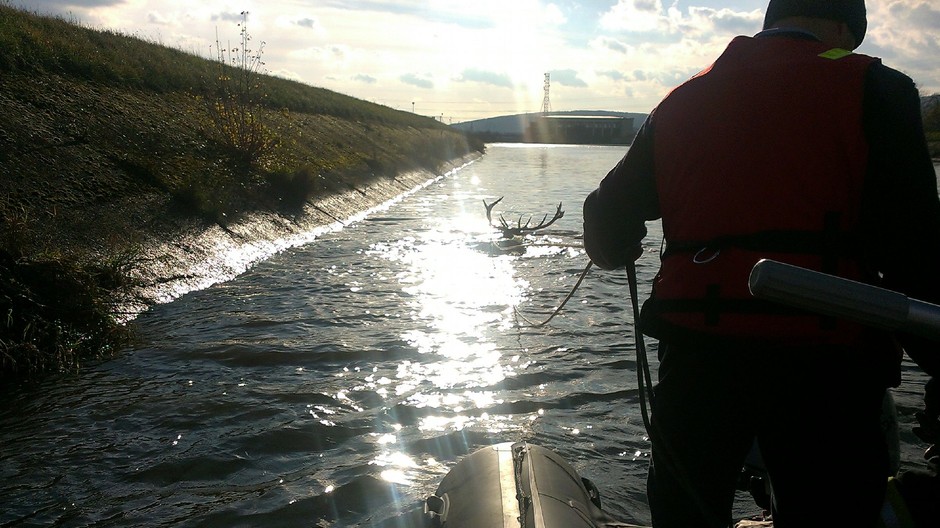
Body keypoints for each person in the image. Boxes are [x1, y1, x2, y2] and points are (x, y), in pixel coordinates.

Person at [582, 0, 940, 526]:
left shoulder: (682, 99)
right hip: (827, 366)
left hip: (698, 358)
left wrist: (621, 246)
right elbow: (917, 253)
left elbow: (606, 221)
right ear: (848, 28)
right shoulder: (879, 89)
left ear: (771, 21)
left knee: (687, 512)